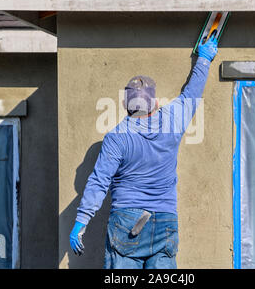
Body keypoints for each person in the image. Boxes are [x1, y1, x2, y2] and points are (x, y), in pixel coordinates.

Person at [70, 34, 219, 269]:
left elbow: (99, 181)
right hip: (164, 222)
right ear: (156, 103)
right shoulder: (173, 121)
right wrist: (204, 58)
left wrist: (81, 222)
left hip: (127, 224)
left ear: (125, 106)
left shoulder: (117, 137)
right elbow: (192, 93)